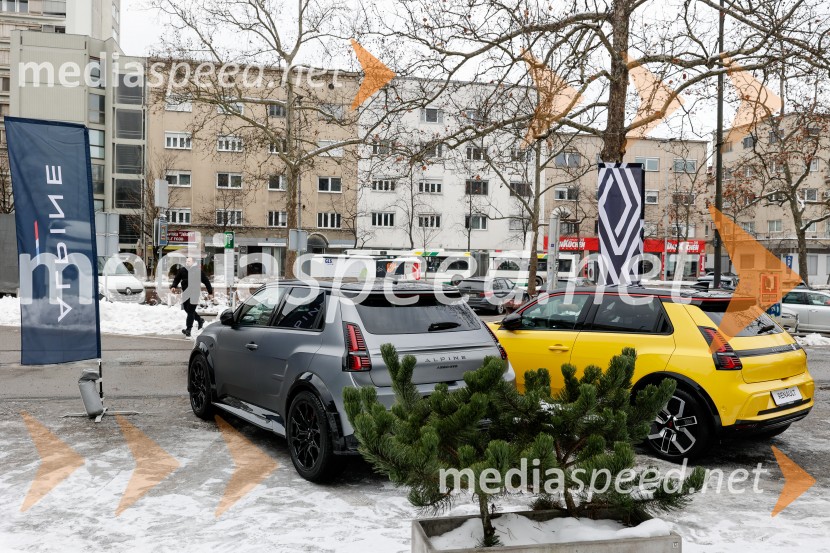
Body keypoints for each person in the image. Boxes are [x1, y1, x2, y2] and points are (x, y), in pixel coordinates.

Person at [171, 257, 214, 337]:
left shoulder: (197, 271)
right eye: (186, 261)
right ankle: (200, 320)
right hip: (186, 293)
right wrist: (173, 286)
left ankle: (188, 329)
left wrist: (210, 292)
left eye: (189, 261)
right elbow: (177, 279)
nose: (187, 262)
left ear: (193, 262)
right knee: (187, 309)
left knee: (190, 311)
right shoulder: (182, 270)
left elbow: (206, 281)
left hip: (195, 293)